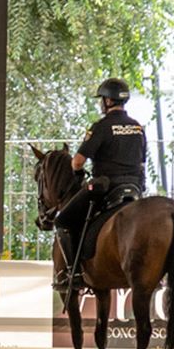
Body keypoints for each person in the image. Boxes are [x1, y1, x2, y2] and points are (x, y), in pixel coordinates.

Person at [53, 78, 149, 290]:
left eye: (101, 100)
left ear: (107, 100)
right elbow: (142, 161)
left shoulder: (102, 126)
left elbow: (78, 161)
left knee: (63, 222)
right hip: (134, 189)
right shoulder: (137, 128)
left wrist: (77, 172)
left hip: (106, 188)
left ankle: (73, 273)